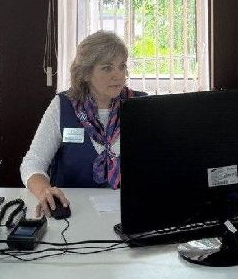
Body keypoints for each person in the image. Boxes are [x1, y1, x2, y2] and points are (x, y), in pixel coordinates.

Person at [20, 31, 145, 217]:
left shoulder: (141, 105)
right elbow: (33, 162)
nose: (118, 75)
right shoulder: (63, 105)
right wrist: (44, 191)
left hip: (130, 211)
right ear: (86, 73)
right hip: (74, 211)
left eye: (122, 66)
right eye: (107, 68)